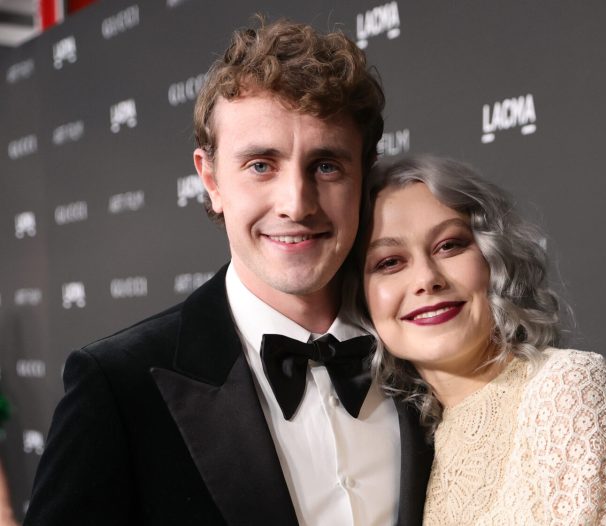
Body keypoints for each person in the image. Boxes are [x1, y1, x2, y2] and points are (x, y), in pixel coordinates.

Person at [24, 18, 432, 526]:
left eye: (326, 165)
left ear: (364, 177)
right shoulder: (118, 386)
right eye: (262, 164)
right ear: (211, 179)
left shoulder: (425, 355)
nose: (296, 203)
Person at [351, 155, 606, 525]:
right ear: (360, 298)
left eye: (449, 245)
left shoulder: (569, 389)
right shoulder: (408, 442)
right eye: (389, 262)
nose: (426, 279)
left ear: (492, 259)